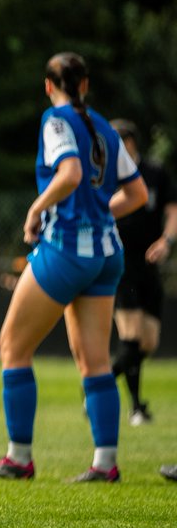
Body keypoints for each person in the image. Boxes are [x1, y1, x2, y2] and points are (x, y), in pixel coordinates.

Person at [0, 52, 147, 483]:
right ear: (84, 85)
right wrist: (101, 209)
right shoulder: (105, 127)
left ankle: (19, 458)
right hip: (108, 254)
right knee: (95, 360)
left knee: (12, 346)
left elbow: (68, 173)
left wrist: (36, 209)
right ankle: (105, 463)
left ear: (49, 87)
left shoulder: (55, 121)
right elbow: (138, 193)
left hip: (67, 250)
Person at [107, 119, 177, 426]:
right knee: (131, 336)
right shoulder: (105, 175)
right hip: (120, 263)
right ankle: (136, 407)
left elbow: (173, 211)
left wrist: (167, 240)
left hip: (149, 265)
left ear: (130, 143)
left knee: (148, 342)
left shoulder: (154, 172)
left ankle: (98, 384)